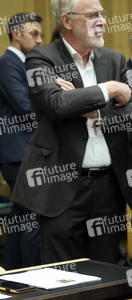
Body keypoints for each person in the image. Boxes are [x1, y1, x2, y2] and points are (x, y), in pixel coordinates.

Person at [11, 0, 132, 264]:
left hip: (110, 186)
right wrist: (109, 90)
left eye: (103, 14)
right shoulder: (41, 58)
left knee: (106, 271)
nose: (102, 21)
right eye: (93, 15)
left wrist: (92, 109)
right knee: (64, 275)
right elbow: (56, 104)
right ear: (67, 21)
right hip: (61, 185)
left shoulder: (114, 59)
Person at [0, 12, 42, 269]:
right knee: (32, 220)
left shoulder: (18, 62)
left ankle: (16, 276)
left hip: (19, 152)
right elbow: (25, 107)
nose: (39, 40)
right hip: (19, 152)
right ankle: (31, 281)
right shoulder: (8, 63)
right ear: (16, 34)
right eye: (33, 34)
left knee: (20, 220)